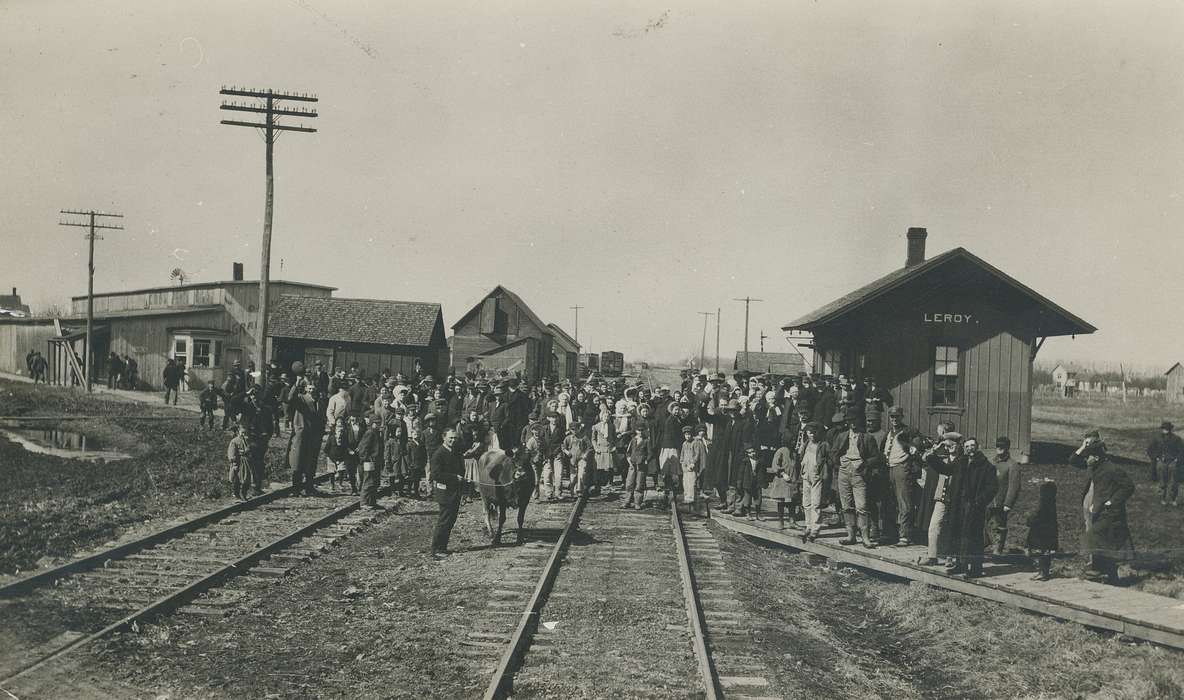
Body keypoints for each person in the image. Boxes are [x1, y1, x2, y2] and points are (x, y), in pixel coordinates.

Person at [1075, 440, 1135, 584]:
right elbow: (1074, 460)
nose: (1086, 459)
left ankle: (1100, 573)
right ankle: (1107, 575)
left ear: (1096, 457)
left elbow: (1128, 487)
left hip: (1111, 514)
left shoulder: (1112, 469)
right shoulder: (1096, 468)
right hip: (1099, 512)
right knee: (1102, 543)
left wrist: (1112, 501)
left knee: (1095, 538)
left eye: (1088, 456)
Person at [832, 415, 882, 548]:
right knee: (846, 505)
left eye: (855, 420)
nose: (853, 423)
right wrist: (839, 462)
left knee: (862, 506)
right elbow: (833, 452)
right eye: (850, 421)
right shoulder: (842, 436)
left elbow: (876, 457)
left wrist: (864, 463)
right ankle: (851, 535)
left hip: (859, 473)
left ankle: (865, 537)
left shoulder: (867, 438)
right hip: (844, 472)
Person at [879, 406, 921, 546]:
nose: (894, 419)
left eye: (897, 416)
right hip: (888, 468)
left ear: (901, 417)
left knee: (904, 502)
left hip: (902, 468)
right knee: (889, 502)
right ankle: (890, 533)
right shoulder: (889, 432)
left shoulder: (908, 431)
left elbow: (917, 445)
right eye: (892, 417)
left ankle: (905, 535)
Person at [429, 428, 466, 560]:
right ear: (444, 437)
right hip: (445, 493)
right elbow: (436, 475)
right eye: (450, 438)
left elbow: (461, 469)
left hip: (455, 492)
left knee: (451, 520)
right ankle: (436, 549)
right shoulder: (438, 454)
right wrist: (454, 477)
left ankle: (443, 547)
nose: (453, 440)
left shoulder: (455, 452)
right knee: (444, 521)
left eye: (455, 438)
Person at [287, 381, 325, 496]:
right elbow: (290, 398)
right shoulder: (301, 399)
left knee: (311, 462)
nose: (311, 390)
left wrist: (321, 433)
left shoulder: (319, 401)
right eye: (309, 388)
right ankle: (296, 489)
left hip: (314, 436)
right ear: (305, 389)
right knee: (298, 461)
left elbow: (322, 418)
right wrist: (295, 384)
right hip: (302, 435)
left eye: (313, 388)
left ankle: (309, 487)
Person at [794, 422, 830, 541]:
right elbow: (801, 458)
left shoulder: (823, 445)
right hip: (806, 475)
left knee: (816, 503)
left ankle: (815, 528)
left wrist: (823, 471)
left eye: (814, 432)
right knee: (806, 503)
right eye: (809, 432)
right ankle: (808, 526)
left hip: (817, 476)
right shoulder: (806, 444)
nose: (811, 435)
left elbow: (829, 461)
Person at [987, 436, 1023, 556]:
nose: (999, 448)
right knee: (986, 524)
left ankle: (997, 549)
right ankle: (986, 546)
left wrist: (1008, 503)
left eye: (1002, 446)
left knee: (999, 526)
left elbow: (1014, 486)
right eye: (998, 446)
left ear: (1007, 448)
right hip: (988, 500)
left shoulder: (1012, 465)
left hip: (1001, 502)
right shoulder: (991, 462)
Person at [1026, 480, 1059, 581]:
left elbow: (1037, 517)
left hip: (1040, 532)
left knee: (1040, 552)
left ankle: (1042, 572)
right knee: (1046, 552)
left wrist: (1029, 520)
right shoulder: (1052, 504)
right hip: (1050, 532)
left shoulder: (1043, 505)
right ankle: (1044, 572)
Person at [1147, 420, 1184, 505]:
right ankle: (1162, 499)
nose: (1164, 430)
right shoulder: (1157, 438)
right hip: (1161, 462)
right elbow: (1150, 449)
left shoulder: (1176, 439)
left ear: (1170, 429)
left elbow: (1182, 451)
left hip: (1173, 463)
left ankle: (1173, 499)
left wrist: (1176, 460)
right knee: (1162, 481)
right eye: (1163, 428)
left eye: (1166, 429)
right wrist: (1156, 458)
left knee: (1173, 481)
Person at [767, 439, 797, 528]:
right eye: (792, 441)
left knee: (792, 501)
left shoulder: (794, 452)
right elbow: (775, 465)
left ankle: (792, 521)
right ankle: (781, 521)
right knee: (781, 501)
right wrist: (783, 474)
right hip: (782, 480)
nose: (794, 442)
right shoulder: (780, 451)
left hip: (792, 480)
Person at [358, 414, 385, 510]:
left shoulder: (377, 433)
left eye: (379, 423)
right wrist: (366, 459)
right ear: (372, 424)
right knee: (368, 482)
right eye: (376, 423)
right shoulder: (370, 433)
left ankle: (372, 502)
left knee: (375, 482)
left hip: (376, 461)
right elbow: (363, 448)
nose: (378, 425)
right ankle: (364, 502)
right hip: (369, 462)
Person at [678, 424, 708, 506]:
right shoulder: (684, 444)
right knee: (685, 482)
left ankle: (691, 498)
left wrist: (693, 463)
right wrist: (682, 462)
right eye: (686, 435)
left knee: (691, 482)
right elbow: (682, 454)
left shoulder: (695, 443)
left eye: (689, 434)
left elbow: (697, 455)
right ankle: (686, 497)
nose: (687, 436)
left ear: (692, 435)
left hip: (692, 466)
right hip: (685, 466)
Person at [226, 424, 254, 500]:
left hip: (246, 462)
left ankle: (243, 493)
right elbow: (231, 453)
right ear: (238, 432)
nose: (244, 434)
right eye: (242, 432)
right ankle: (236, 493)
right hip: (238, 462)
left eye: (245, 433)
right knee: (237, 478)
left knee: (246, 478)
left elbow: (250, 450)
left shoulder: (247, 440)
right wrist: (233, 460)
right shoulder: (234, 441)